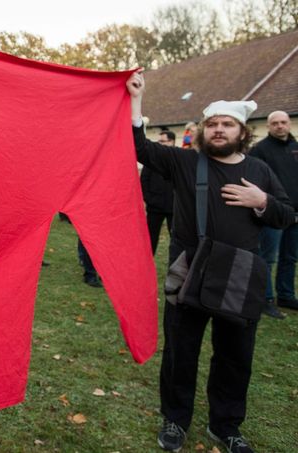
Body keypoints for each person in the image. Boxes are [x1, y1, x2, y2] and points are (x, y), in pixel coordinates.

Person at [127, 70, 294, 453]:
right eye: (213, 124)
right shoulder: (185, 163)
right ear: (204, 130)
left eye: (227, 124)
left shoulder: (260, 171)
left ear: (241, 131)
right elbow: (139, 148)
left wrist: (263, 202)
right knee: (181, 350)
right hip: (189, 269)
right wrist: (136, 100)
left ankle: (226, 425)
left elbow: (286, 215)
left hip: (240, 273)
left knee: (235, 355)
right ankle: (175, 420)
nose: (219, 130)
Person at [250, 111, 298, 319]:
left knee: (290, 257)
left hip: (295, 213)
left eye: (283, 122)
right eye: (275, 123)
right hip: (273, 213)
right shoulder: (259, 150)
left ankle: (286, 295)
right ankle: (265, 299)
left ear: (289, 124)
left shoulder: (295, 147)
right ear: (268, 126)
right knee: (268, 258)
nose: (280, 126)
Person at [141, 130, 176, 254]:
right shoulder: (153, 159)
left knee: (176, 239)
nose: (159, 144)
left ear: (171, 142)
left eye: (162, 141)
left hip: (175, 208)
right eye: (159, 141)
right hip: (155, 207)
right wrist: (149, 199)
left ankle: (177, 267)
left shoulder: (180, 159)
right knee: (150, 239)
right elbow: (144, 180)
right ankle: (146, 267)